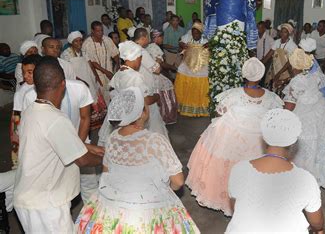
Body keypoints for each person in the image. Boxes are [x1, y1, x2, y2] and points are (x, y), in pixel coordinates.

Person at [75, 87, 199, 233]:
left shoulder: (112, 138)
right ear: (143, 113)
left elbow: (106, 173)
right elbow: (178, 181)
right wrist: (163, 192)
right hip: (147, 209)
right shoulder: (155, 140)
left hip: (113, 206)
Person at [13, 56, 103, 233]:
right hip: (46, 203)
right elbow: (83, 160)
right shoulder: (55, 119)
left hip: (30, 197)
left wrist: (89, 147)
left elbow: (53, 145)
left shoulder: (31, 110)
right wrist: (107, 157)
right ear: (63, 84)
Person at [186, 57, 283, 216]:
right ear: (261, 76)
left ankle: (229, 201)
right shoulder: (271, 98)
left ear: (244, 75)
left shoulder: (233, 94)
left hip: (232, 140)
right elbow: (275, 117)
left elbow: (219, 111)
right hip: (259, 144)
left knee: (224, 161)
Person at [226, 108, 324, 233]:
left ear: (265, 138)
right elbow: (317, 222)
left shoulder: (239, 169)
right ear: (293, 142)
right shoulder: (305, 179)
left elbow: (236, 207)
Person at [283, 48, 325, 187]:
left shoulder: (296, 82)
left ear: (294, 66)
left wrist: (282, 119)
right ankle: (319, 175)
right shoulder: (314, 76)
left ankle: (302, 179)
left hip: (304, 115)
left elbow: (289, 107)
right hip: (321, 112)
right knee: (320, 146)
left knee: (304, 147)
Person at [99, 41, 168, 145]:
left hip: (123, 113)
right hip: (135, 117)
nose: (140, 62)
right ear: (135, 58)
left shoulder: (119, 73)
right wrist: (157, 96)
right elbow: (146, 100)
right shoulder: (135, 77)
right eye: (140, 58)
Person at [10, 54, 42, 168]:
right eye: (24, 72)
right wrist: (15, 135)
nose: (25, 76)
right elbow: (16, 115)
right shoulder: (21, 92)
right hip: (28, 133)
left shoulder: (46, 87)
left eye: (30, 72)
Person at [175, 21, 210, 117]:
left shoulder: (205, 40)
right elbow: (181, 42)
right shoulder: (187, 37)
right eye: (193, 33)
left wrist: (209, 46)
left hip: (201, 68)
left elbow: (212, 46)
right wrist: (183, 45)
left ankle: (200, 108)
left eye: (197, 33)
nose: (194, 35)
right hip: (188, 67)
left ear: (201, 33)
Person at [83, 21, 120, 102]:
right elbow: (92, 62)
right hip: (96, 74)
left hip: (110, 72)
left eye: (102, 30)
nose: (100, 33)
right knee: (101, 98)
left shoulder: (107, 40)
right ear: (92, 31)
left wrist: (117, 67)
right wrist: (106, 72)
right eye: (98, 31)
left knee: (113, 95)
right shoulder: (87, 44)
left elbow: (115, 54)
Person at [147, 29, 178, 124]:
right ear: (157, 37)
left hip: (150, 74)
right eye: (162, 37)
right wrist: (172, 67)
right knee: (167, 87)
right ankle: (165, 116)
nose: (163, 39)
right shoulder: (155, 48)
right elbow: (161, 64)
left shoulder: (148, 46)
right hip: (155, 74)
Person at [261, 23, 297, 92]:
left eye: (285, 32)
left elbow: (289, 62)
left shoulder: (293, 46)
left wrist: (279, 73)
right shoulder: (277, 42)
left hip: (286, 72)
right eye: (281, 32)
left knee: (281, 91)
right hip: (275, 69)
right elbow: (269, 55)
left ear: (289, 33)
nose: (282, 34)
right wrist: (260, 63)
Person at [299, 38, 325, 104]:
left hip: (319, 88)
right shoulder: (309, 58)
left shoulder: (309, 61)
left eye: (299, 49)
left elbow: (305, 75)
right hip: (317, 85)